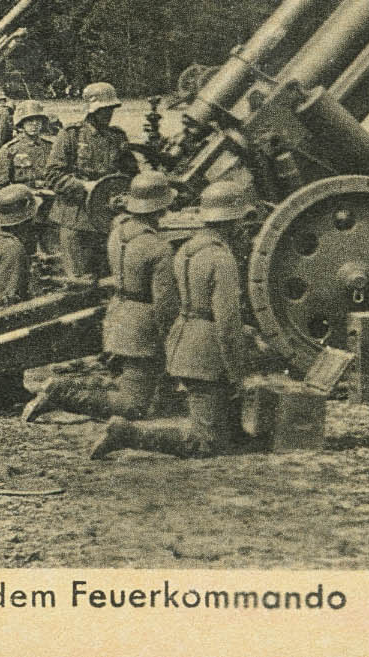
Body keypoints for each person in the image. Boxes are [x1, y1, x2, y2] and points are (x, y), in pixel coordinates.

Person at [88, 180, 273, 460]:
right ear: (235, 220)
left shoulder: (186, 249)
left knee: (220, 427)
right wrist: (238, 374)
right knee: (206, 443)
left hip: (182, 343)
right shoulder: (222, 259)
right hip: (205, 354)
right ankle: (128, 434)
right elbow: (226, 325)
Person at [23, 171, 179, 423]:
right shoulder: (159, 248)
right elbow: (165, 305)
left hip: (117, 315)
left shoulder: (119, 232)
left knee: (132, 385)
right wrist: (171, 339)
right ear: (161, 207)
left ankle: (62, 386)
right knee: (136, 406)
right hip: (141, 330)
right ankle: (60, 393)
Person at [44, 81, 137, 278]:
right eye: (103, 110)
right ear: (92, 110)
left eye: (111, 109)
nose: (108, 114)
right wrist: (85, 186)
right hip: (76, 218)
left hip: (107, 217)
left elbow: (131, 174)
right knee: (79, 279)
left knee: (107, 276)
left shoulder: (117, 137)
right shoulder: (71, 135)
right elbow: (53, 175)